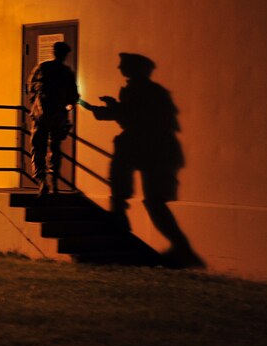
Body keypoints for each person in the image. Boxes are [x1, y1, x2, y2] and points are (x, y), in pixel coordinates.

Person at [81, 53, 201, 267]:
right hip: (156, 148)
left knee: (147, 195)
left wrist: (110, 109)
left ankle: (121, 214)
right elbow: (133, 115)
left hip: (150, 147)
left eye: (123, 65)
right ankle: (179, 247)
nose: (119, 67)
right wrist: (112, 108)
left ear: (135, 69)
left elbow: (135, 117)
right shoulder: (148, 91)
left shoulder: (140, 90)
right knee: (151, 199)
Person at [26, 41, 79, 196]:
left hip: (43, 115)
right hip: (54, 115)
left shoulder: (43, 68)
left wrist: (35, 104)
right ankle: (51, 181)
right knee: (53, 148)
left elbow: (31, 87)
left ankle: (43, 181)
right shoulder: (65, 72)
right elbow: (73, 95)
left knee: (40, 147)